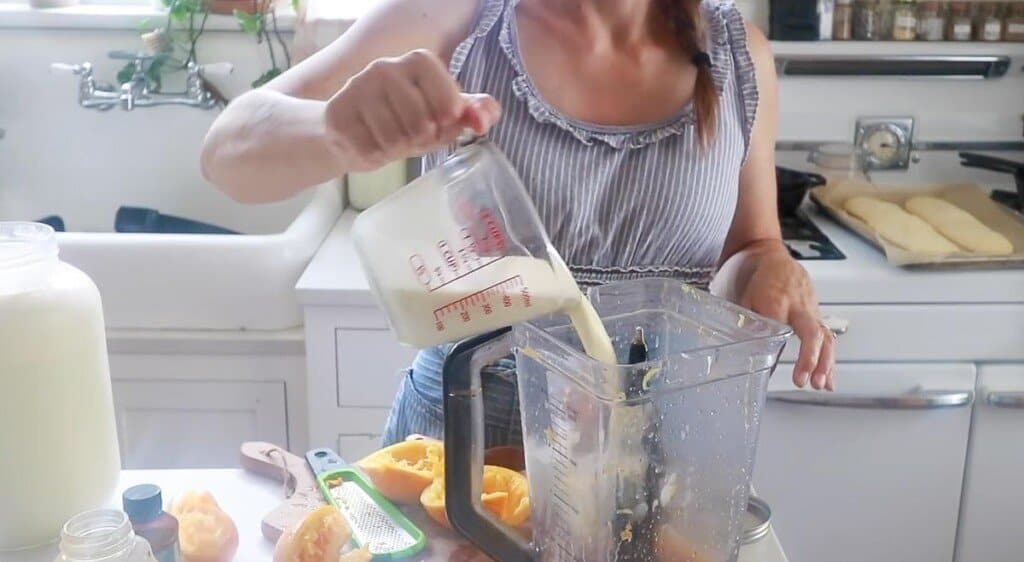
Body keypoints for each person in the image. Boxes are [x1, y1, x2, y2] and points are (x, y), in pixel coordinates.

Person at [201, 0, 837, 448]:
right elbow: (226, 153)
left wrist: (767, 268)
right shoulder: (455, 19)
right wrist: (333, 131)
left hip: (658, 449)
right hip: (464, 441)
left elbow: (748, 248)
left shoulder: (737, 54)